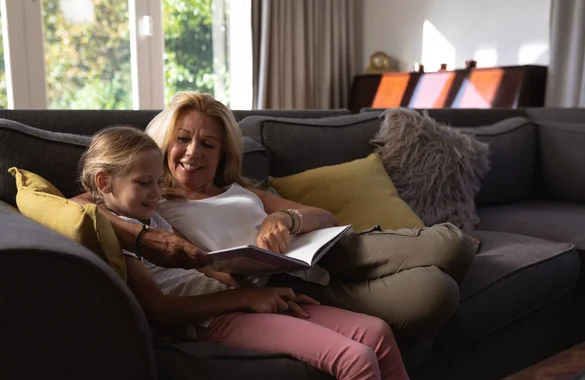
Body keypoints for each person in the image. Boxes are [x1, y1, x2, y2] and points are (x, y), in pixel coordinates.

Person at [75, 91, 476, 341]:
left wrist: (283, 220)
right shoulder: (152, 199)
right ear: (164, 144)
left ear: (222, 155)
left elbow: (323, 215)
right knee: (437, 293)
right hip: (291, 283)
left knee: (453, 245)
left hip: (329, 252)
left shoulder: (238, 190)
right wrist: (146, 238)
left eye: (207, 144)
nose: (193, 153)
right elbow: (78, 204)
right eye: (183, 139)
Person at [78, 126, 416, 380]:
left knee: (377, 332)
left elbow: (206, 269)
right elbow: (161, 310)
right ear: (104, 182)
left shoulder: (152, 219)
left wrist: (262, 291)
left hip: (235, 301)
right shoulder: (120, 237)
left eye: (156, 181)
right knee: (355, 359)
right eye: (143, 183)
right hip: (212, 319)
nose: (156, 193)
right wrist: (247, 299)